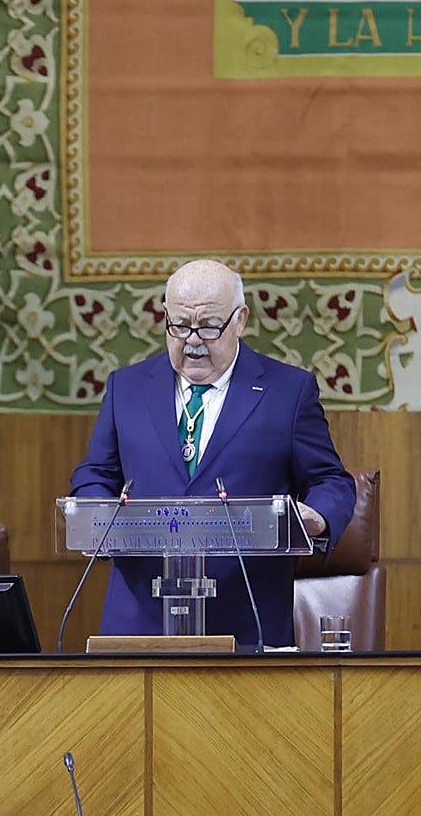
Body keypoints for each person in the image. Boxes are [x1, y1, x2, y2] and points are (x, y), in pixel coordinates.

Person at [70, 259, 357, 648]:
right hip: (141, 619)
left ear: (240, 320)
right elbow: (96, 474)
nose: (192, 340)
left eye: (208, 326)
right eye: (179, 325)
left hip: (245, 618)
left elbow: (330, 480)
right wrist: (95, 511)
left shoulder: (287, 391)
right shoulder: (127, 387)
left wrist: (318, 516)